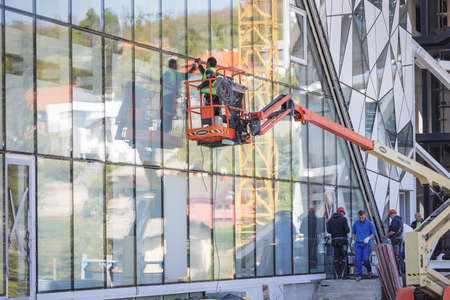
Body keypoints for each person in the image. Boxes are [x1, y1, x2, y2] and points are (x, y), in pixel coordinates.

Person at [162, 58, 196, 133]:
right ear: (172, 65)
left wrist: (192, 69)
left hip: (171, 96)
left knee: (170, 113)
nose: (177, 65)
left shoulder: (176, 74)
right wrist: (171, 88)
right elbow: (162, 81)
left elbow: (186, 76)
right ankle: (164, 131)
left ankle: (166, 131)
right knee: (167, 113)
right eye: (176, 64)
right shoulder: (169, 72)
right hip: (167, 96)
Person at [352, 210, 376, 281]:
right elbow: (353, 232)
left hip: (366, 244)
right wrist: (353, 240)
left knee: (366, 259)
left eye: (362, 217)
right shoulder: (356, 223)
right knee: (358, 259)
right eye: (360, 217)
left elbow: (373, 234)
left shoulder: (370, 223)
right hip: (358, 244)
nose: (361, 218)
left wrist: (368, 238)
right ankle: (359, 275)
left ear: (365, 215)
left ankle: (369, 271)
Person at [326, 206, 350, 279]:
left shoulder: (330, 220)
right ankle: (342, 275)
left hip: (334, 241)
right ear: (342, 212)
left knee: (336, 258)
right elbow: (347, 230)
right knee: (343, 258)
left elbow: (328, 231)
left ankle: (336, 275)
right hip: (343, 241)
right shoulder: (343, 219)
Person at [197, 57, 222, 126]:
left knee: (210, 113)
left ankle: (212, 126)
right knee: (216, 113)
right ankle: (217, 126)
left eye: (206, 63)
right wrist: (199, 64)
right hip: (216, 95)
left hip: (211, 96)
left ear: (208, 63)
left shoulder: (209, 70)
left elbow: (209, 79)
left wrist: (201, 86)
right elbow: (204, 73)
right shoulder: (214, 71)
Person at [387, 209, 404, 276]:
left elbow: (393, 231)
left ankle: (397, 272)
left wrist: (387, 236)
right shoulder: (400, 220)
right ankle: (401, 271)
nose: (390, 217)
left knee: (396, 256)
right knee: (399, 256)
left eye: (390, 216)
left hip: (395, 240)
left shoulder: (394, 220)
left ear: (392, 214)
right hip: (400, 239)